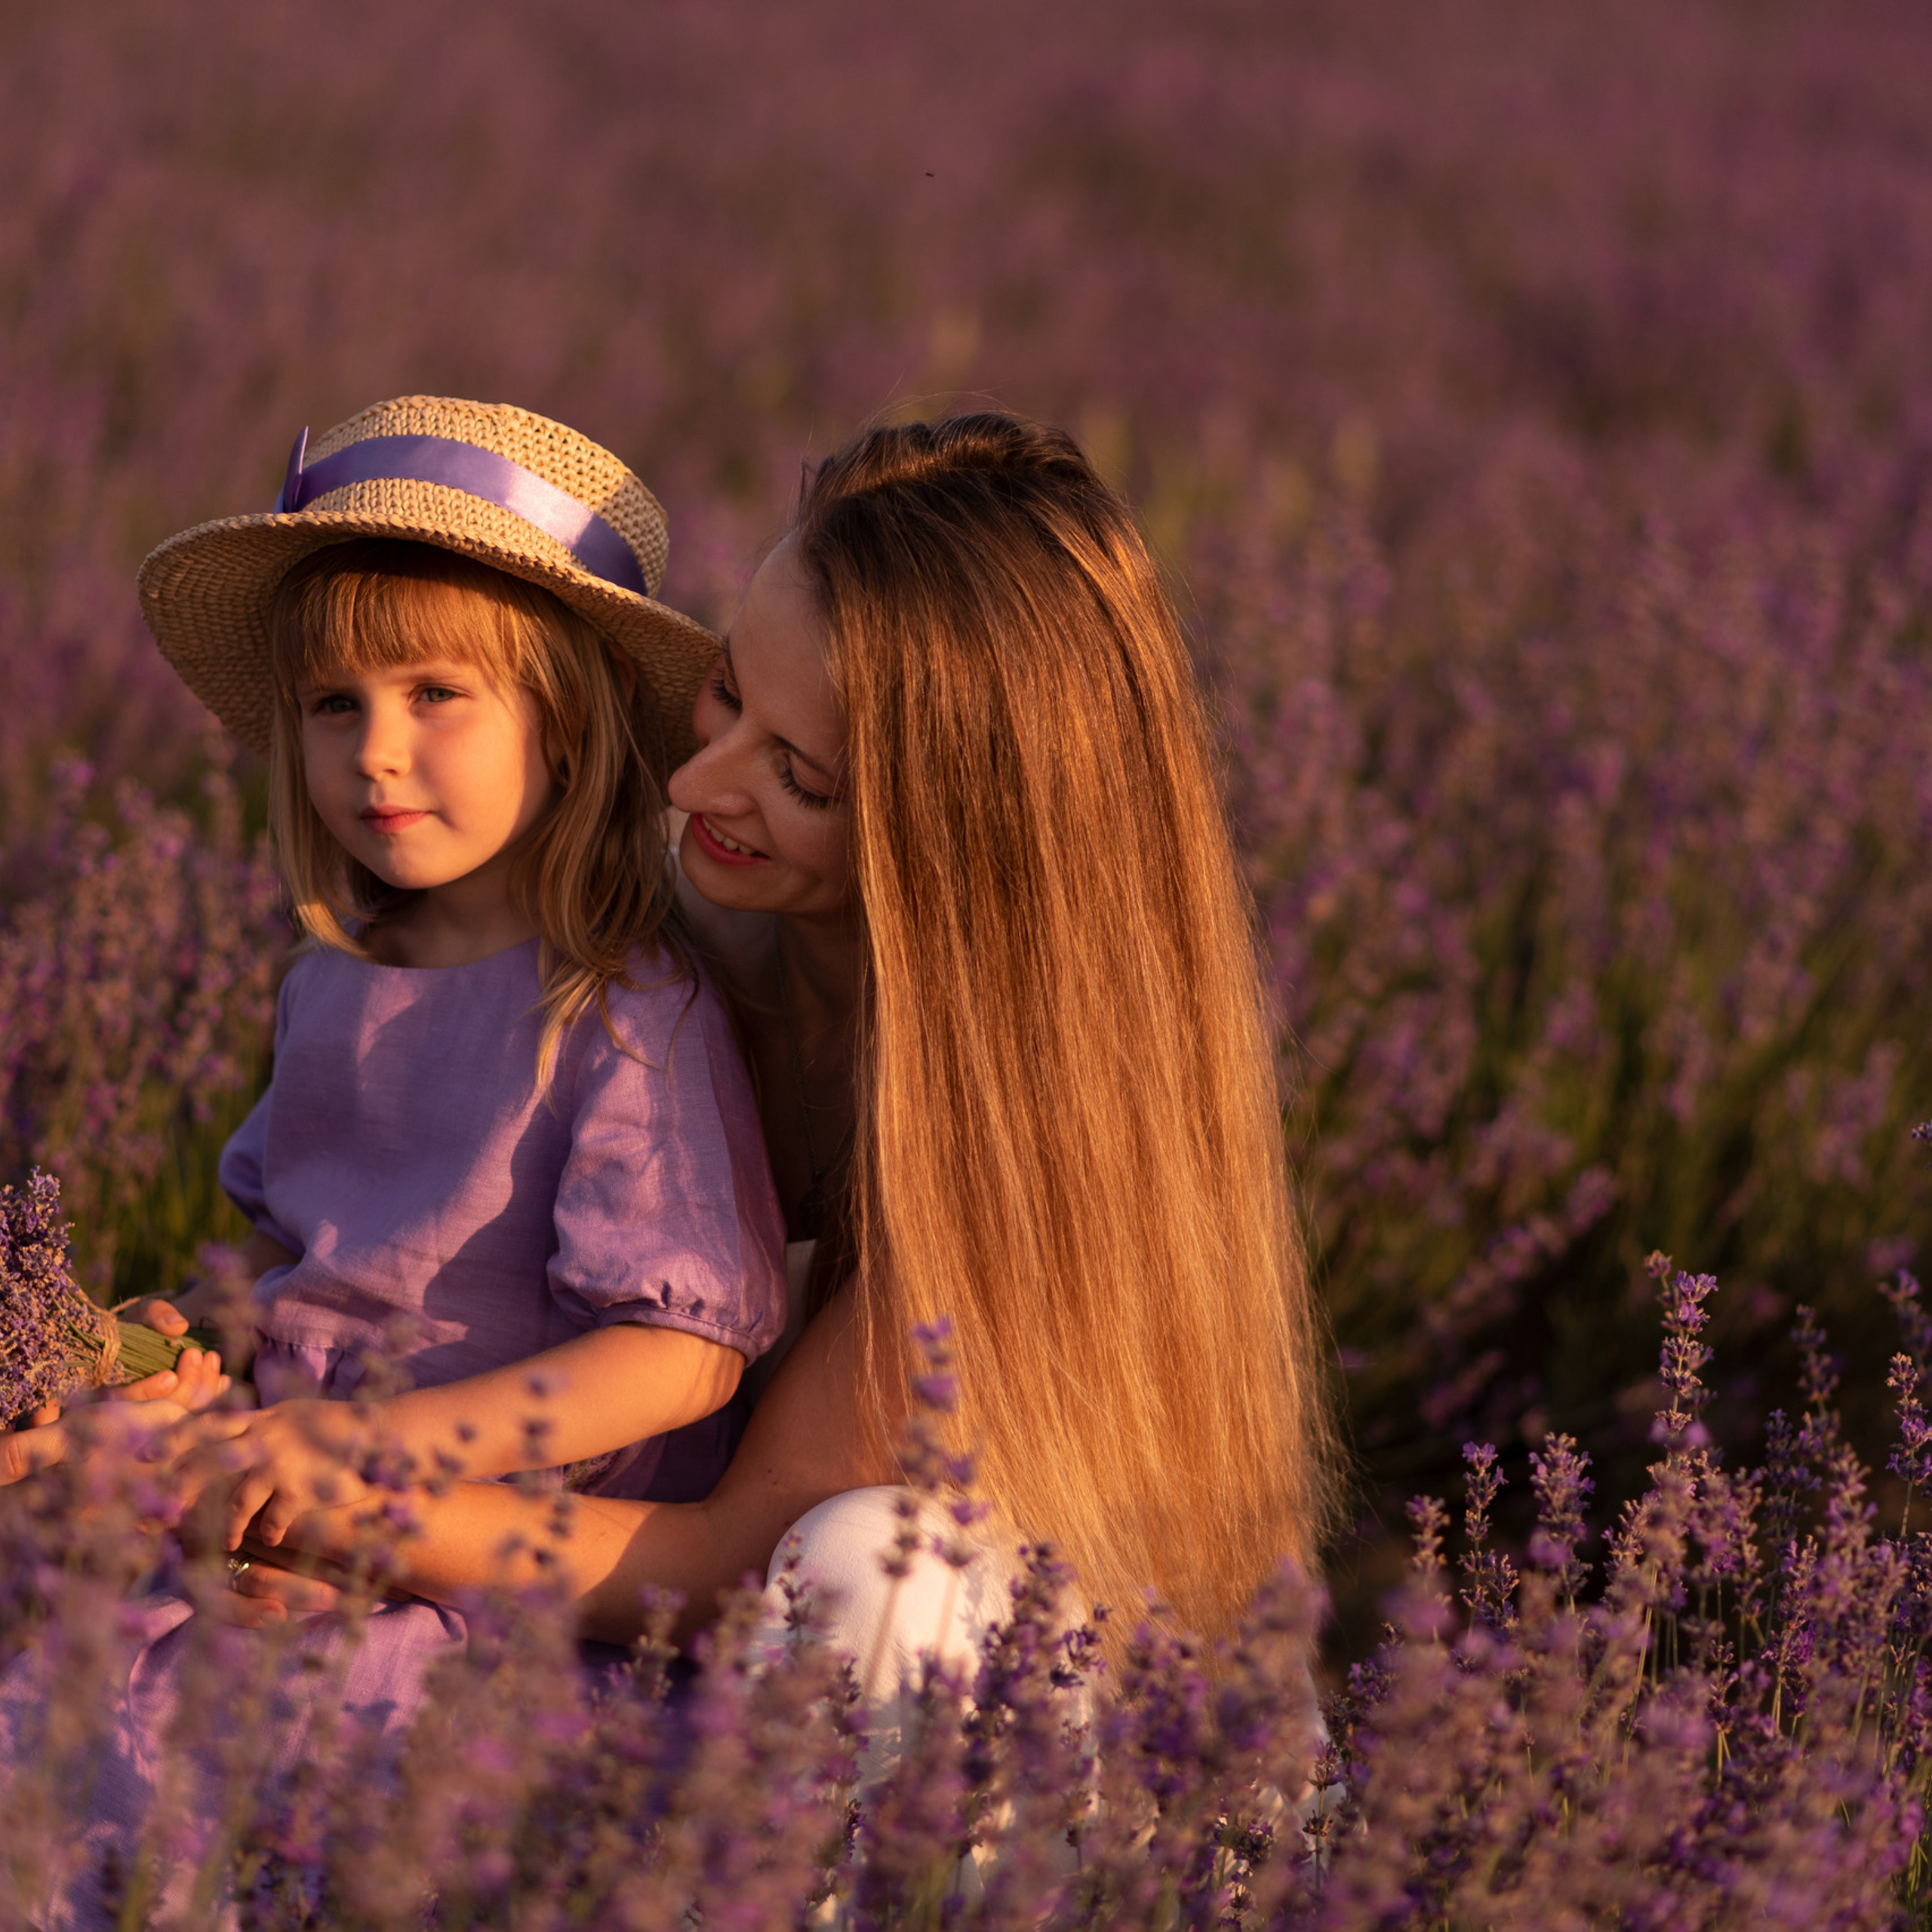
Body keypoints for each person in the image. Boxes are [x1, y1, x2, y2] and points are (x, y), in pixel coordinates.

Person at [216, 411, 1341, 1714]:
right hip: (661, 1645)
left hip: (1026, 1753)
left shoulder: (1023, 1164)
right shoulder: (632, 966)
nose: (692, 783)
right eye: (730, 692)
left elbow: (717, 1568)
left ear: (953, 849)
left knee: (871, 1568)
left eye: (797, 774)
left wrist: (312, 1494)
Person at [1, 396, 789, 1918]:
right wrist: (152, 1349)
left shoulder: (620, 1009)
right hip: (277, 1515)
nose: (377, 753)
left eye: (438, 693)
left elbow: (682, 1355)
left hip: (480, 1578)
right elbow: (282, 1277)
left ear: (567, 719)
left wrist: (376, 1454)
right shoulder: (335, 983)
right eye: (330, 704)